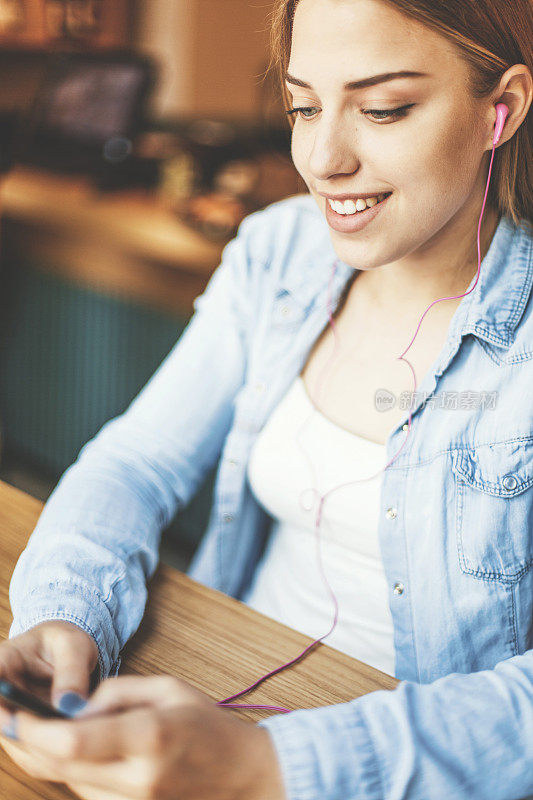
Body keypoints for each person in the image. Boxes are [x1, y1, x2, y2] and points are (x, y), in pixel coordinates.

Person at [0, 0, 532, 797]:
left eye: (383, 109)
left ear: (501, 110)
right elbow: (138, 462)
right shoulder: (280, 249)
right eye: (302, 105)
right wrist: (63, 615)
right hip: (221, 685)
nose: (321, 159)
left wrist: (267, 766)